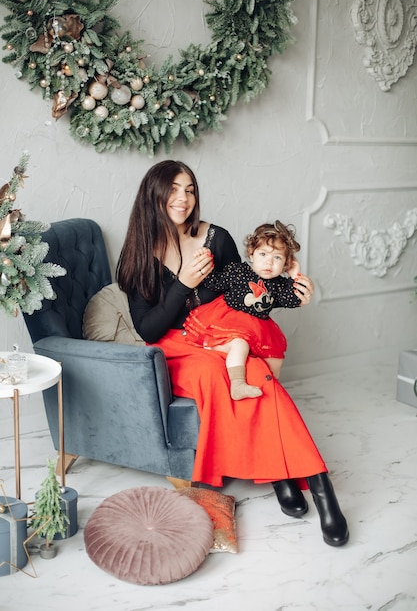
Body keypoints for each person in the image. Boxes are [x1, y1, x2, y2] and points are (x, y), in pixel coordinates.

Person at [116, 160, 349, 547]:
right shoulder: (138, 252)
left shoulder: (216, 238)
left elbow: (248, 299)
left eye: (189, 188)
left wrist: (290, 289)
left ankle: (320, 489)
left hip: (224, 335)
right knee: (214, 374)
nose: (183, 197)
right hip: (176, 347)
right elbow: (149, 329)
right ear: (153, 194)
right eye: (173, 189)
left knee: (260, 377)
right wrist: (185, 285)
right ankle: (279, 474)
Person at [183, 221, 303, 400]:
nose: (269, 262)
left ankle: (271, 390)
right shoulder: (238, 271)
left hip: (258, 326)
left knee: (275, 357)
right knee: (240, 344)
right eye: (263, 254)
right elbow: (214, 282)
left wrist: (295, 275)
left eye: (278, 258)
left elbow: (293, 299)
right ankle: (237, 384)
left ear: (286, 263)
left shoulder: (279, 284)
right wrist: (205, 259)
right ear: (251, 254)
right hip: (229, 318)